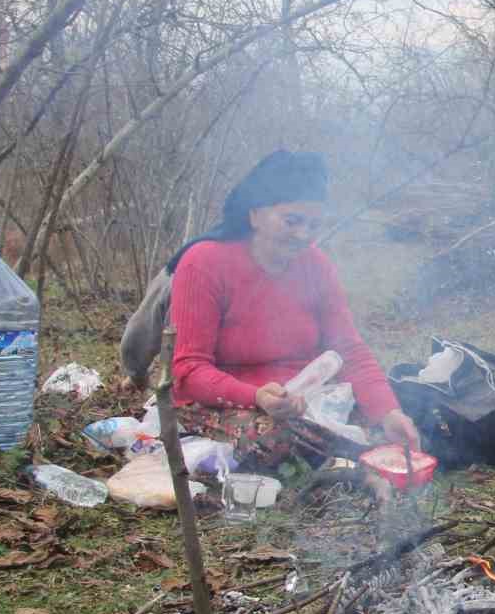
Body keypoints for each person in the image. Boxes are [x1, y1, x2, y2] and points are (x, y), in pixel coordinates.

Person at [167, 150, 420, 469]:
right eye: (292, 221)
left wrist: (389, 412)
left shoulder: (317, 265)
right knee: (277, 437)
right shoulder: (204, 263)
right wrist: (256, 396)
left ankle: (349, 459)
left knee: (399, 421)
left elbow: (349, 350)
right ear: (255, 214)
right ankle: (346, 462)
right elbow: (188, 370)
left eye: (314, 224)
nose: (304, 235)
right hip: (223, 401)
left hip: (303, 399)